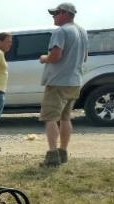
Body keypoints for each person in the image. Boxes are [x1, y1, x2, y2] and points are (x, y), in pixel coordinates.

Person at [38, 2, 88, 167]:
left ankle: (52, 156)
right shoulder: (82, 32)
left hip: (58, 82)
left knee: (50, 118)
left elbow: (55, 56)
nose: (53, 16)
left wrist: (44, 58)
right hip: (75, 81)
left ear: (65, 13)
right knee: (65, 118)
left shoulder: (61, 31)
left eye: (56, 13)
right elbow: (85, 57)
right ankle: (63, 152)